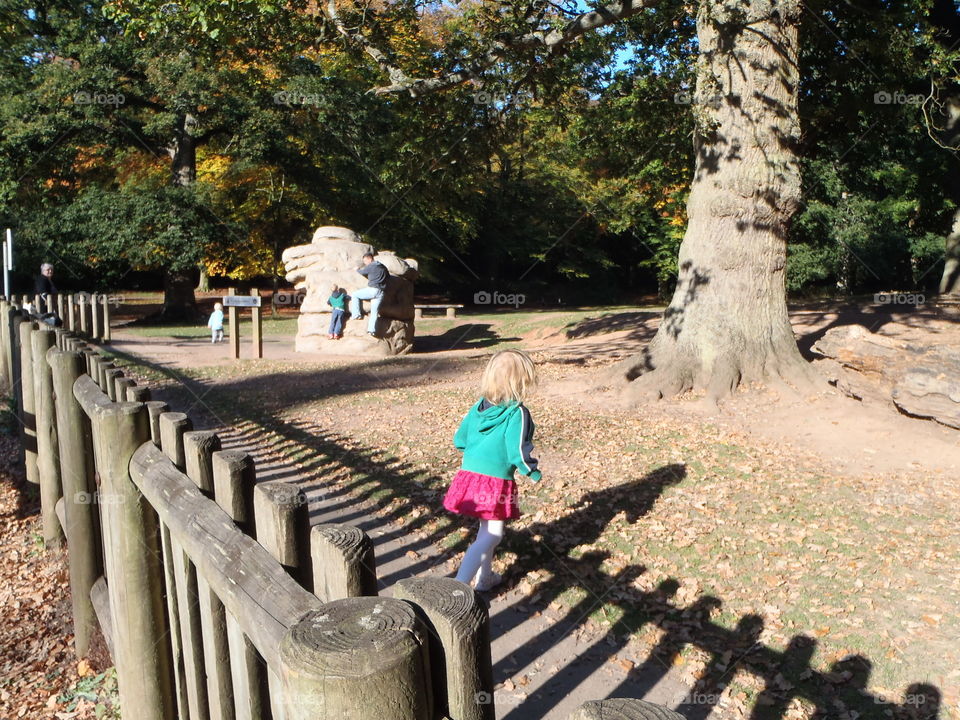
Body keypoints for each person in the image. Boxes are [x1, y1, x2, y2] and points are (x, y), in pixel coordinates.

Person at [443, 349, 541, 591]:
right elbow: (516, 449)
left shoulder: (479, 406)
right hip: (494, 481)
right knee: (494, 534)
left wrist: (474, 455)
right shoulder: (517, 412)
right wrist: (531, 471)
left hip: (469, 476)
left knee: (486, 529)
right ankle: (460, 585)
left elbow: (461, 438)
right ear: (523, 380)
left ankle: (484, 578)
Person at [349, 253, 388, 336]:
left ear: (369, 259)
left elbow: (363, 272)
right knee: (374, 312)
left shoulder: (371, 265)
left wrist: (357, 269)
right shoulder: (383, 267)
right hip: (381, 292)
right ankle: (371, 330)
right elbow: (388, 277)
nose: (365, 263)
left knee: (355, 295)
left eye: (365, 261)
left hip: (372, 289)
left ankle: (356, 315)